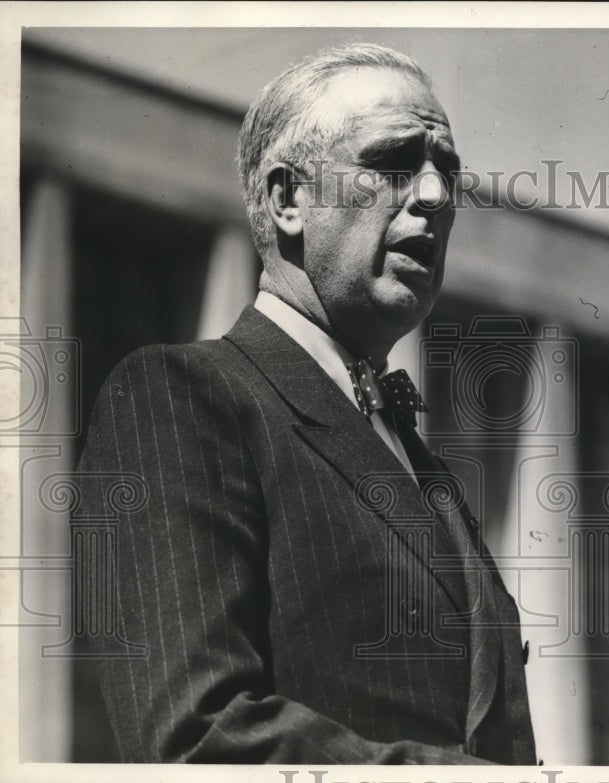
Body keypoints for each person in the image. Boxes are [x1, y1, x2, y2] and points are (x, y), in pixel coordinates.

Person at [77, 43, 536, 764]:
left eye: (446, 170)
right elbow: (197, 735)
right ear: (288, 198)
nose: (438, 196)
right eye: (394, 163)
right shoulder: (183, 399)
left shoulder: (419, 459)